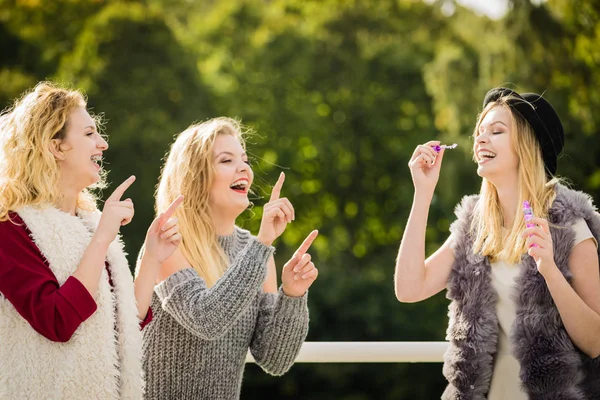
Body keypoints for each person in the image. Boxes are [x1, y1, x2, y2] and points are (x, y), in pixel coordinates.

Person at [394, 87, 600, 399]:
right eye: (479, 132)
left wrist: (550, 271)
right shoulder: (474, 226)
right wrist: (422, 193)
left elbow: (595, 341)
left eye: (496, 131)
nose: (480, 139)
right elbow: (409, 289)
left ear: (528, 145)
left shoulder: (569, 225)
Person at [0, 82, 183, 399]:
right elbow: (57, 321)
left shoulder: (90, 223)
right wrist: (102, 238)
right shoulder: (10, 226)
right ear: (56, 147)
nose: (103, 144)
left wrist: (153, 255)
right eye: (88, 134)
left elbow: (125, 323)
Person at [141, 117, 319, 399]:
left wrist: (293, 297)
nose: (244, 168)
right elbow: (206, 320)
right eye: (226, 160)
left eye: (245, 159)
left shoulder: (255, 251)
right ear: (195, 176)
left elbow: (274, 360)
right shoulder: (166, 242)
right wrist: (262, 245)